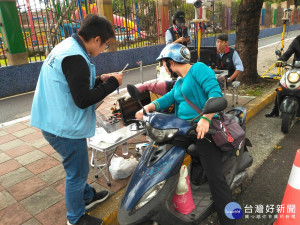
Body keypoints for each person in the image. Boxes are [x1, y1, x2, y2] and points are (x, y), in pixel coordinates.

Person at [31, 14, 123, 225]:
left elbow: (73, 83)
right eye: (105, 45)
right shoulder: (76, 57)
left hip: (53, 119)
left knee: (75, 166)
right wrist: (112, 85)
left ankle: (87, 197)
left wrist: (100, 79)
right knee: (77, 171)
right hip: (63, 127)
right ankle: (76, 218)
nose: (103, 51)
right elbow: (82, 99)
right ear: (97, 39)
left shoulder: (67, 47)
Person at [135, 43, 235, 225]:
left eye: (163, 63)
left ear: (171, 62)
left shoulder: (198, 69)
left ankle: (229, 219)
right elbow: (169, 98)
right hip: (183, 129)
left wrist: (205, 118)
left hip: (204, 129)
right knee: (160, 155)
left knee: (216, 178)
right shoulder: (180, 82)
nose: (163, 67)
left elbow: (215, 93)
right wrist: (147, 108)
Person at [266, 35, 300, 117]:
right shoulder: (297, 41)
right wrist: (281, 59)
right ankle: (275, 109)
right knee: (282, 84)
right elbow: (288, 52)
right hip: (296, 69)